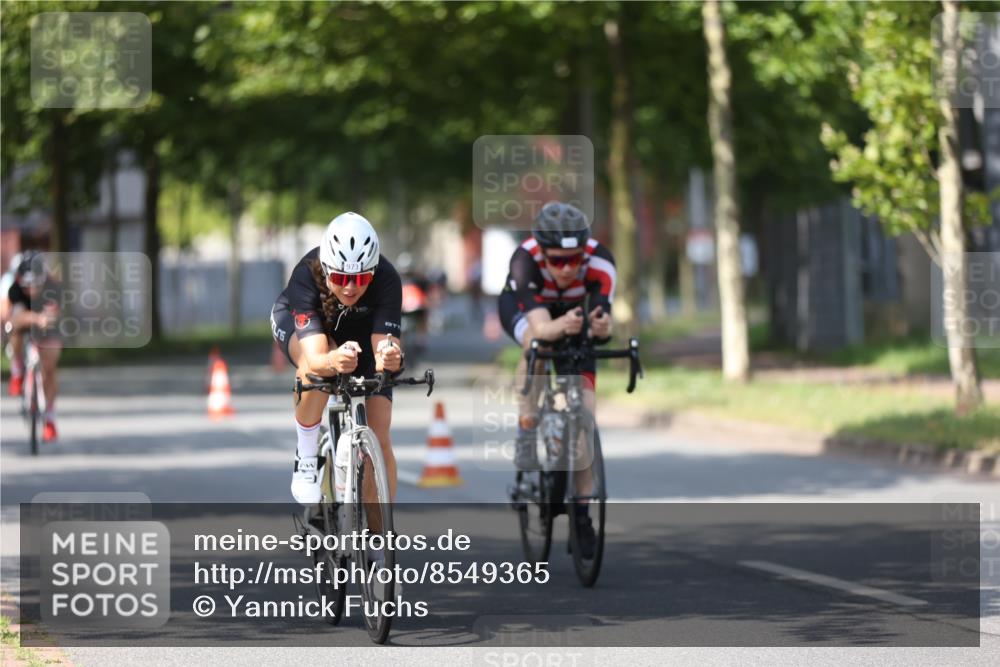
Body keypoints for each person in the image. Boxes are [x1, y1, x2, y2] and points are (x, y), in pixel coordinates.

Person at [497, 201, 616, 558]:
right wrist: (558, 328)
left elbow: (604, 322)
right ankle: (527, 424)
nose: (566, 269)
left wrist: (603, 327)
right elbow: (542, 326)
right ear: (542, 254)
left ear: (586, 252)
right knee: (537, 345)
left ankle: (581, 514)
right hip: (527, 312)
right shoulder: (525, 259)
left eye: (574, 260)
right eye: (557, 260)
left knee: (582, 419)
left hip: (574, 313)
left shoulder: (601, 262)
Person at [270, 212, 403, 506]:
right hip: (307, 328)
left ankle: (380, 543)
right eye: (341, 278)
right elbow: (317, 357)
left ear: (373, 271)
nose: (350, 287)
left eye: (361, 278)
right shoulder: (306, 274)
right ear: (327, 270)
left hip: (361, 332)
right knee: (319, 367)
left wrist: (390, 357)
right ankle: (306, 457)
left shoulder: (387, 277)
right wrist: (332, 360)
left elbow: (384, 346)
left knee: (380, 436)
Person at [6, 250, 63, 441]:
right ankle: (17, 370)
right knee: (14, 330)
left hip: (48, 325)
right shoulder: (15, 289)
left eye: (34, 284)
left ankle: (50, 417)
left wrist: (44, 319)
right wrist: (34, 318)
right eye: (26, 285)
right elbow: (15, 316)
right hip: (28, 320)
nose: (30, 289)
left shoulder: (53, 287)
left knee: (50, 368)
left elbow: (53, 316)